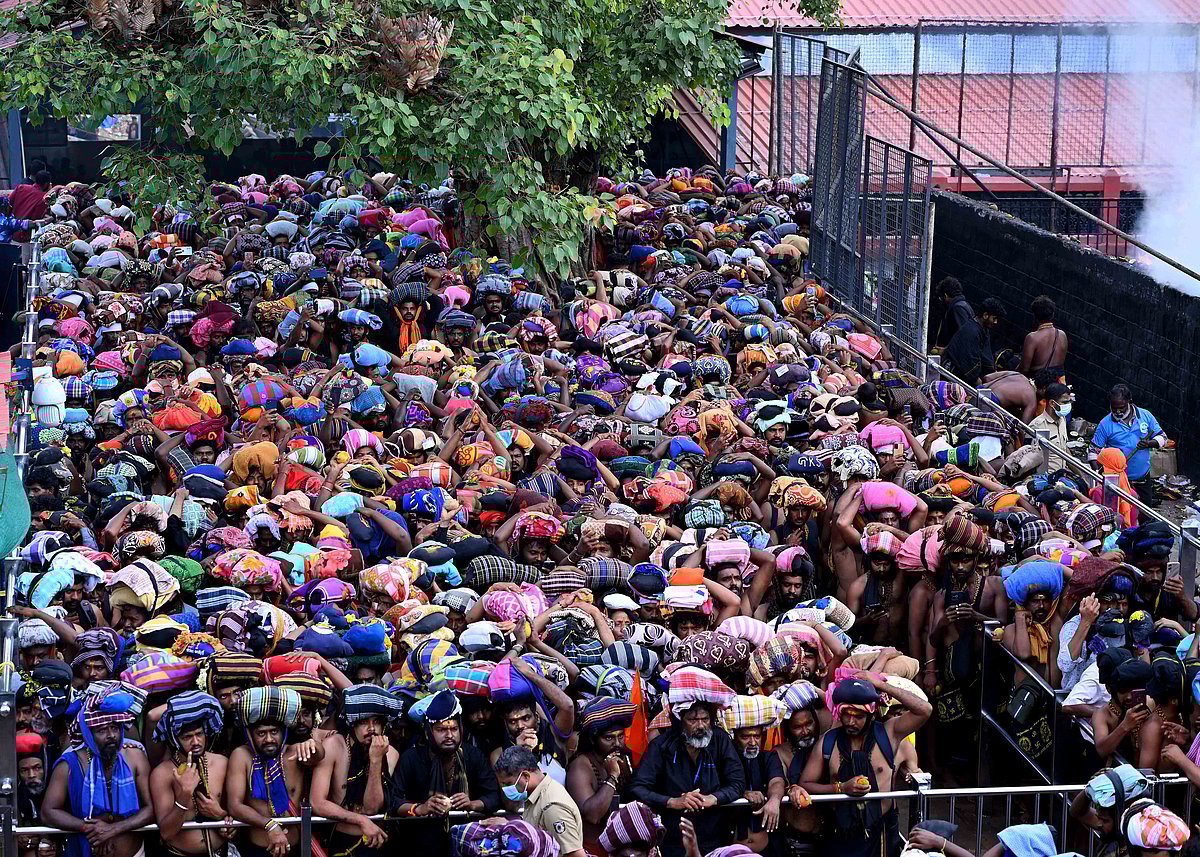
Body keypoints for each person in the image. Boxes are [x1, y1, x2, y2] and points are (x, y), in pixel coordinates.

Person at [799, 673, 932, 857]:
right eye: (847, 715)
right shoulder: (828, 742)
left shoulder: (889, 734)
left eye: (859, 716)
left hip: (882, 834)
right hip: (840, 835)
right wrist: (841, 788)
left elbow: (925, 710)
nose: (851, 722)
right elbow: (805, 784)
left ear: (871, 713)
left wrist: (880, 685)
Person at [629, 684, 746, 857]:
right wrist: (672, 801)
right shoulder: (662, 746)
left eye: (705, 719)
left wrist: (713, 798)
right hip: (671, 842)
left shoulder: (720, 739)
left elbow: (737, 782)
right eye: (692, 720)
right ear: (680, 722)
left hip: (713, 839)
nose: (700, 726)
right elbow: (638, 788)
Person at [41, 685, 156, 857]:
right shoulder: (70, 764)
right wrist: (88, 828)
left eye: (115, 728)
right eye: (102, 730)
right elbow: (48, 812)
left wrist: (114, 829)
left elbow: (151, 809)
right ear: (88, 735)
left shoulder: (135, 757)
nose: (111, 735)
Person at [391, 690, 501, 849]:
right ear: (428, 733)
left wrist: (472, 804)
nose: (449, 735)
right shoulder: (411, 758)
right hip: (422, 845)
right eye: (441, 730)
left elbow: (494, 795)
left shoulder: (473, 755)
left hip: (467, 843)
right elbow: (393, 801)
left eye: (454, 729)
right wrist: (421, 808)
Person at [225, 686, 323, 857]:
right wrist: (269, 825)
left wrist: (313, 745)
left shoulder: (294, 752)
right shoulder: (241, 756)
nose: (269, 739)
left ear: (284, 732)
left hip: (296, 848)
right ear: (250, 735)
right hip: (259, 849)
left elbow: (318, 755)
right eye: (261, 733)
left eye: (274, 732)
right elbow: (234, 806)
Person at [309, 684, 396, 857]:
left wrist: (376, 759)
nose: (371, 729)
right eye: (364, 722)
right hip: (340, 839)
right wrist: (360, 819)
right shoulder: (334, 746)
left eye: (376, 722)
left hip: (376, 840)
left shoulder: (390, 754)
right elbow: (317, 802)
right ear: (352, 724)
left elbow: (371, 808)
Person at [149, 691, 233, 857]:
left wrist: (222, 816)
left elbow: (234, 813)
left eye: (199, 734)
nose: (196, 742)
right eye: (187, 737)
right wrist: (185, 794)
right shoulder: (162, 774)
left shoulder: (222, 763)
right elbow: (166, 833)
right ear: (174, 740)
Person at [496, 745, 586, 857]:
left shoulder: (552, 807)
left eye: (508, 784)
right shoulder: (535, 796)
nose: (505, 789)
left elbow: (576, 854)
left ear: (525, 776)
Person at [1089, 384, 1168, 506]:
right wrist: (1098, 473)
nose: (1118, 412)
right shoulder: (1105, 424)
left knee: (1145, 515)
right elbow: (1093, 452)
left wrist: (1149, 443)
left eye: (1121, 408)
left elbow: (1163, 437)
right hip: (1117, 481)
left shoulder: (1145, 416)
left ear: (1130, 402)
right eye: (1114, 408)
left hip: (1142, 477)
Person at [941, 297, 1004, 387]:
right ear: (985, 315)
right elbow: (968, 363)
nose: (996, 322)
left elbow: (986, 359)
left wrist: (993, 375)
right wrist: (981, 385)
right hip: (953, 374)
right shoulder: (971, 331)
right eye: (994, 318)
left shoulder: (983, 330)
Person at [1018, 295, 1068, 380]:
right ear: (1053, 314)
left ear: (1035, 316)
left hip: (1039, 385)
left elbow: (1024, 370)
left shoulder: (1032, 338)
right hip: (1059, 383)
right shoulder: (1062, 335)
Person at [933, 278, 975, 349]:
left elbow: (963, 337)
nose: (940, 300)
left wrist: (945, 350)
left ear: (945, 296)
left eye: (941, 298)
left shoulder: (957, 309)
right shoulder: (964, 306)